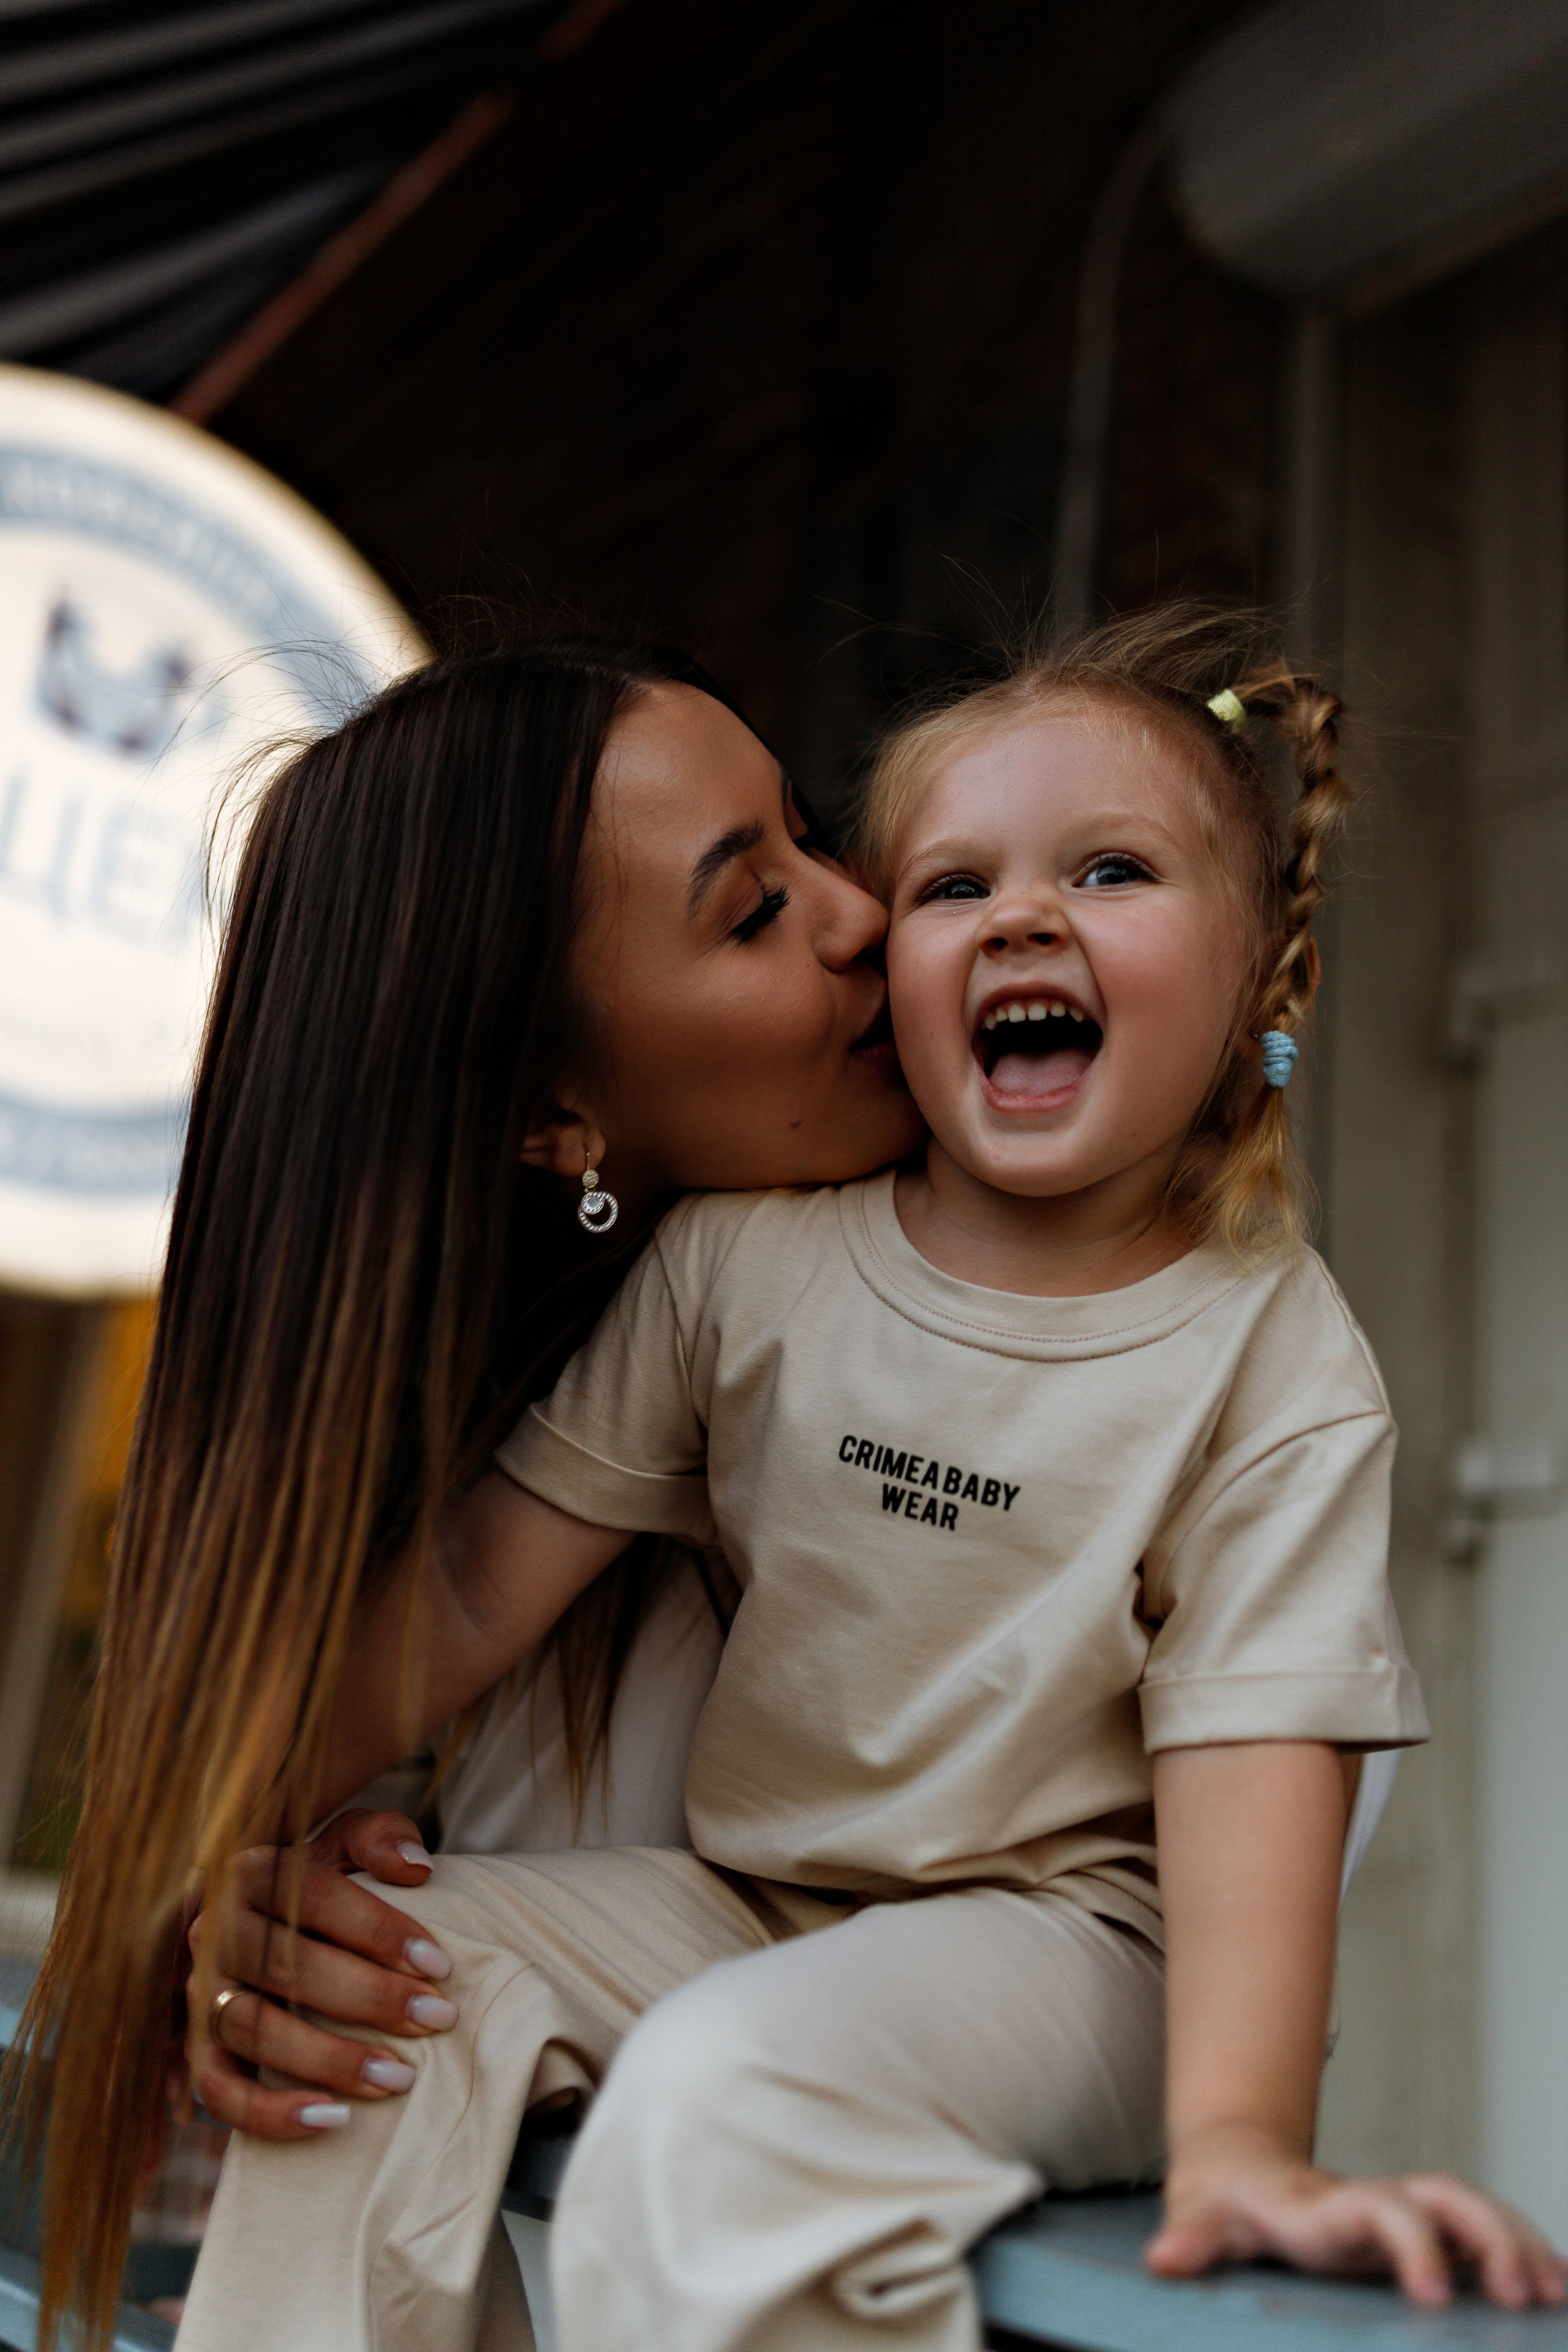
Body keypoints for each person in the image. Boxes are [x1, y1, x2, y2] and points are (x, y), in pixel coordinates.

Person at [172, 606, 1567, 2352]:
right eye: (952, 885)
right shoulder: (744, 1265)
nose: (1024, 918)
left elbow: (1257, 1759)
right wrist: (218, 1855)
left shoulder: (1268, 1355)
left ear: (1252, 977)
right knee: (387, 1983)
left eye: (1113, 871)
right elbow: (467, 1591)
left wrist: (1239, 2145)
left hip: (1070, 1953)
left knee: (726, 2087)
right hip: (754, 1905)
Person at [10, 636, 922, 2351]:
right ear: (549, 1118)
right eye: (753, 911)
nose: (862, 910)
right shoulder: (500, 1499)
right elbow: (251, 1804)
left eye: (809, 838)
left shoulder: (1076, 1296)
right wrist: (257, 1932)